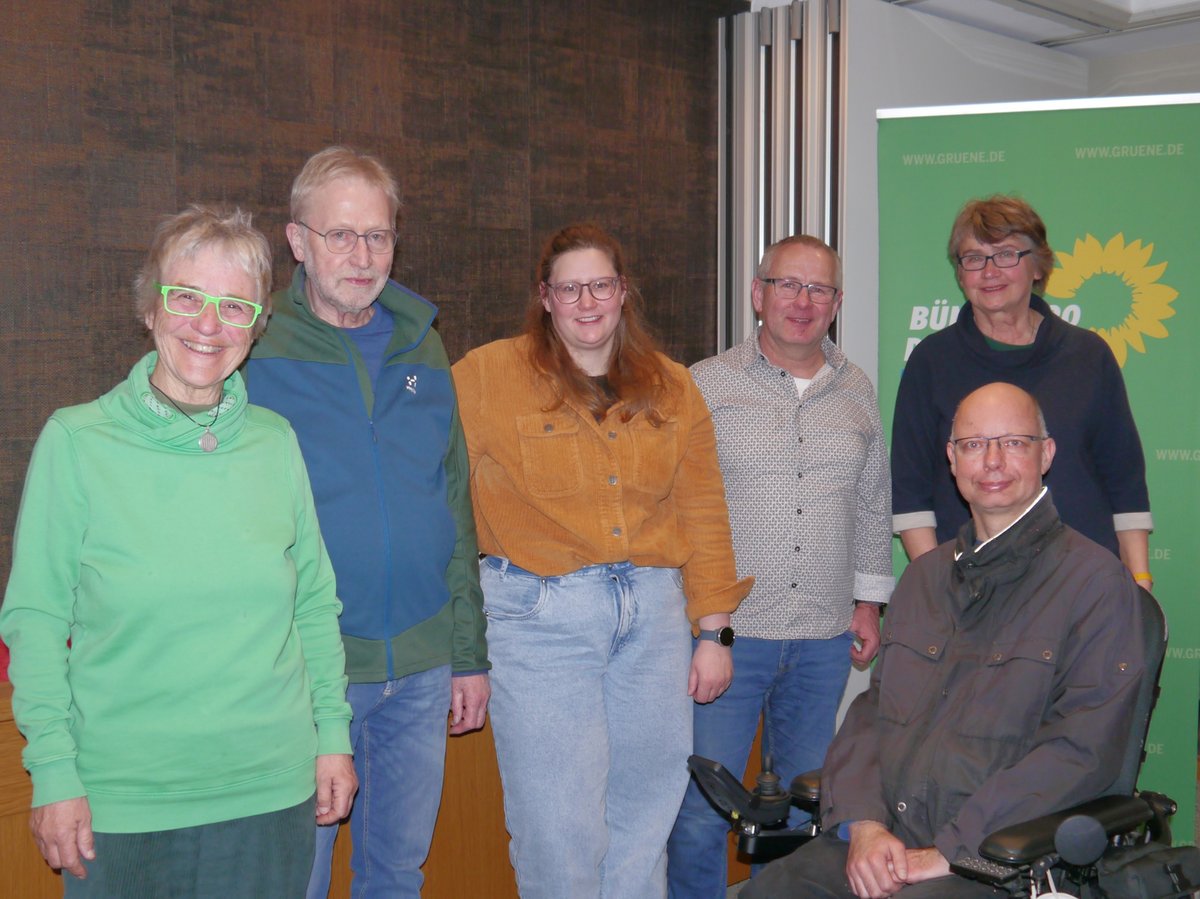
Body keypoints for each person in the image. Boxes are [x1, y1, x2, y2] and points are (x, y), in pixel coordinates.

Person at [0, 205, 355, 897]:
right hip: (123, 803)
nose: (208, 324)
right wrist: (54, 771)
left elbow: (314, 604)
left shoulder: (275, 442)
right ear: (150, 308)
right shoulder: (77, 442)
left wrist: (332, 736)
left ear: (255, 327)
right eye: (186, 297)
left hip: (271, 795)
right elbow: (36, 621)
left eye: (234, 307)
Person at [743, 382, 1149, 899]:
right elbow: (874, 714)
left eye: (1014, 442)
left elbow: (1082, 751)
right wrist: (864, 824)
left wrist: (949, 851)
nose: (993, 461)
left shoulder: (1095, 584)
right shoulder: (923, 579)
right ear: (952, 459)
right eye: (974, 444)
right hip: (887, 837)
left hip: (999, 855)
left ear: (1046, 454)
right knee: (770, 892)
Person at [452, 223, 753, 899]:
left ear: (623, 292)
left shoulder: (673, 386)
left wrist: (715, 633)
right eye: (570, 288)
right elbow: (442, 500)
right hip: (539, 620)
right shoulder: (486, 376)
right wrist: (457, 636)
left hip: (654, 619)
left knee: (645, 818)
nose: (587, 302)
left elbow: (703, 511)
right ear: (545, 297)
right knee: (559, 827)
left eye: (601, 285)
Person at [243, 146, 489, 898]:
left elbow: (454, 503)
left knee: (396, 874)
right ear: (298, 241)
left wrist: (467, 653)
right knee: (299, 878)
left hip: (421, 664)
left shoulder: (425, 344)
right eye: (340, 235)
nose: (361, 255)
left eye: (377, 236)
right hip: (308, 672)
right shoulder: (253, 348)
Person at [669, 235, 893, 897]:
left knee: (806, 806)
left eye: (818, 288)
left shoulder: (857, 389)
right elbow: (677, 505)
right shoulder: (706, 384)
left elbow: (872, 501)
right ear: (757, 294)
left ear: (837, 303)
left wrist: (868, 603)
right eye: (787, 284)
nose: (802, 301)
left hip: (823, 637)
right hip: (728, 637)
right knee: (702, 810)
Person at [890, 195, 1152, 588]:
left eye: (1006, 254)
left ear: (1038, 265)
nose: (989, 271)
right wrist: (939, 588)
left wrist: (1140, 580)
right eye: (974, 258)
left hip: (1083, 584)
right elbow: (910, 491)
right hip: (969, 590)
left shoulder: (1088, 355)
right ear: (960, 274)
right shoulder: (931, 361)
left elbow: (1124, 481)